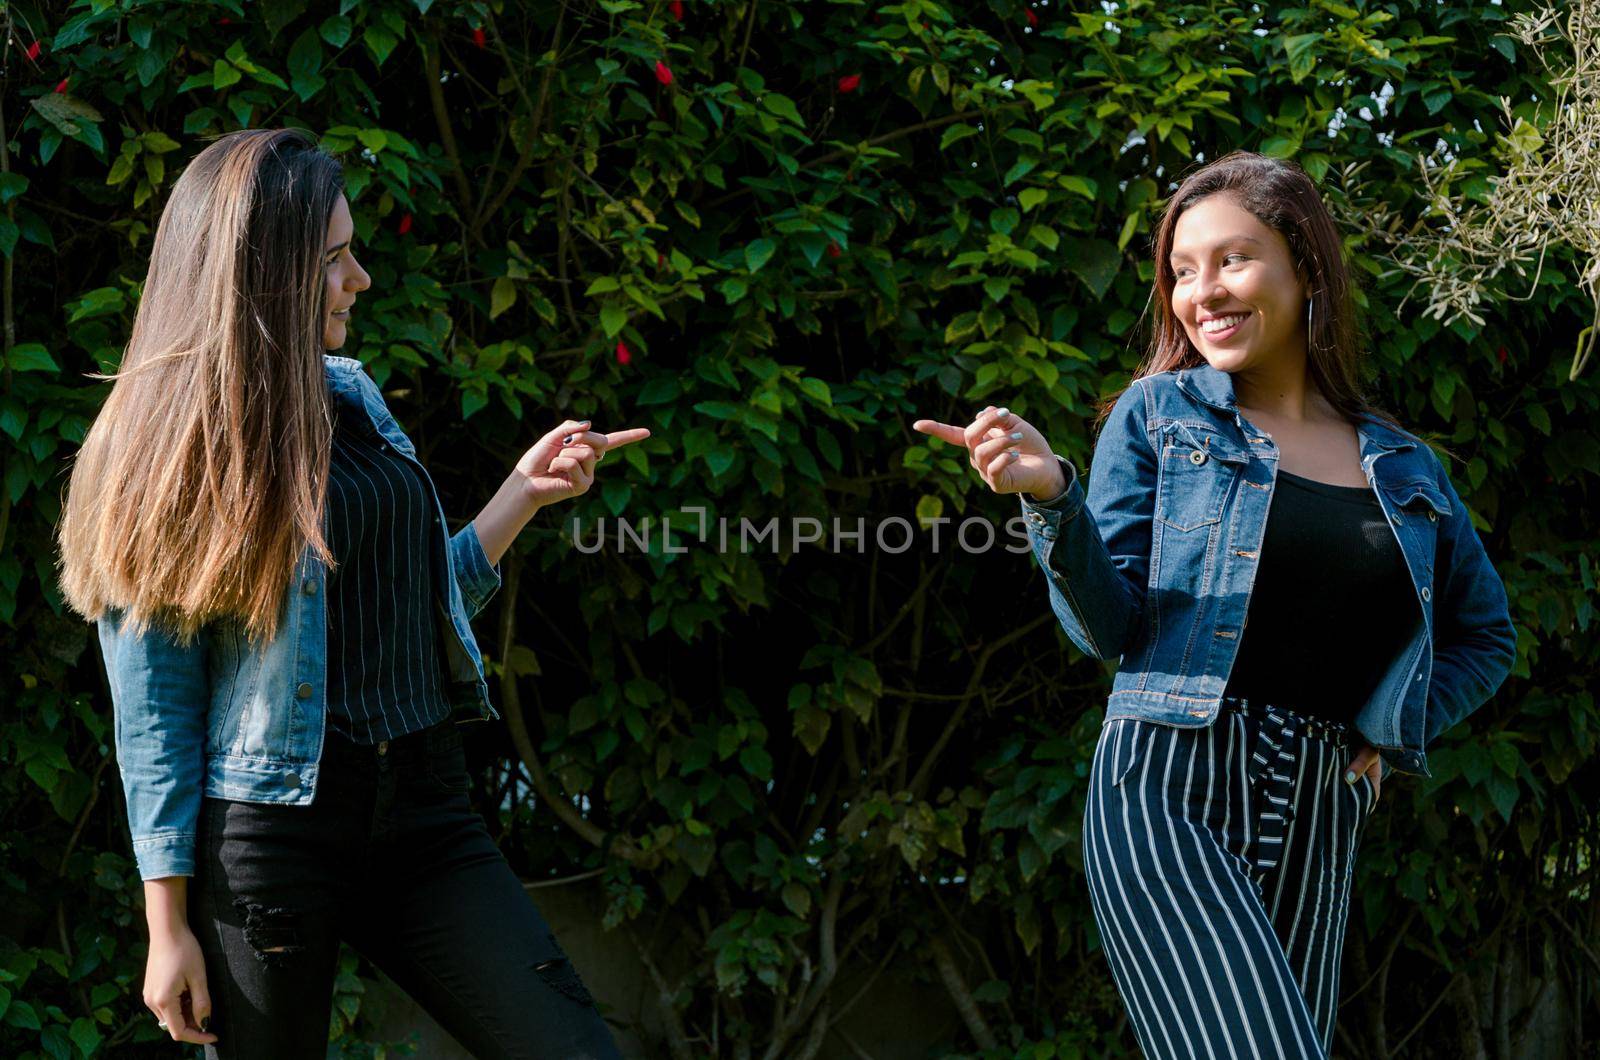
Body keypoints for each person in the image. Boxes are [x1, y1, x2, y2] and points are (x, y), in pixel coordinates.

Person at [55, 128, 645, 1059]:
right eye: (334, 260)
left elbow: (405, 611)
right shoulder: (165, 443)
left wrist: (519, 497)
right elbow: (153, 703)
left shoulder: (351, 398)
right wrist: (166, 923)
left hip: (423, 812)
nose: (359, 278)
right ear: (262, 274)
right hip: (275, 835)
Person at [912, 149, 1517, 1058]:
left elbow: (1484, 634)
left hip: (1322, 802)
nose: (1204, 291)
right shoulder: (1161, 417)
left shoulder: (1403, 466)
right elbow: (1105, 628)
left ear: (1305, 267)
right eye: (1182, 272)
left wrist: (1389, 724)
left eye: (1234, 259)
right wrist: (1052, 499)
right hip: (1169, 780)